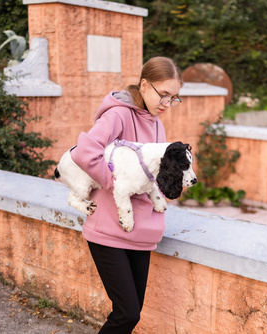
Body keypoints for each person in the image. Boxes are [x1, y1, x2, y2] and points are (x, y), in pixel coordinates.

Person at [70, 56, 183, 333]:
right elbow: (85, 152)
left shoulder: (157, 123)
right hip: (108, 231)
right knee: (127, 314)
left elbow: (153, 172)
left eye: (174, 98)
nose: (167, 104)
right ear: (144, 84)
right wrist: (116, 183)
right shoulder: (118, 114)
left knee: (133, 313)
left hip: (142, 232)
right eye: (164, 95)